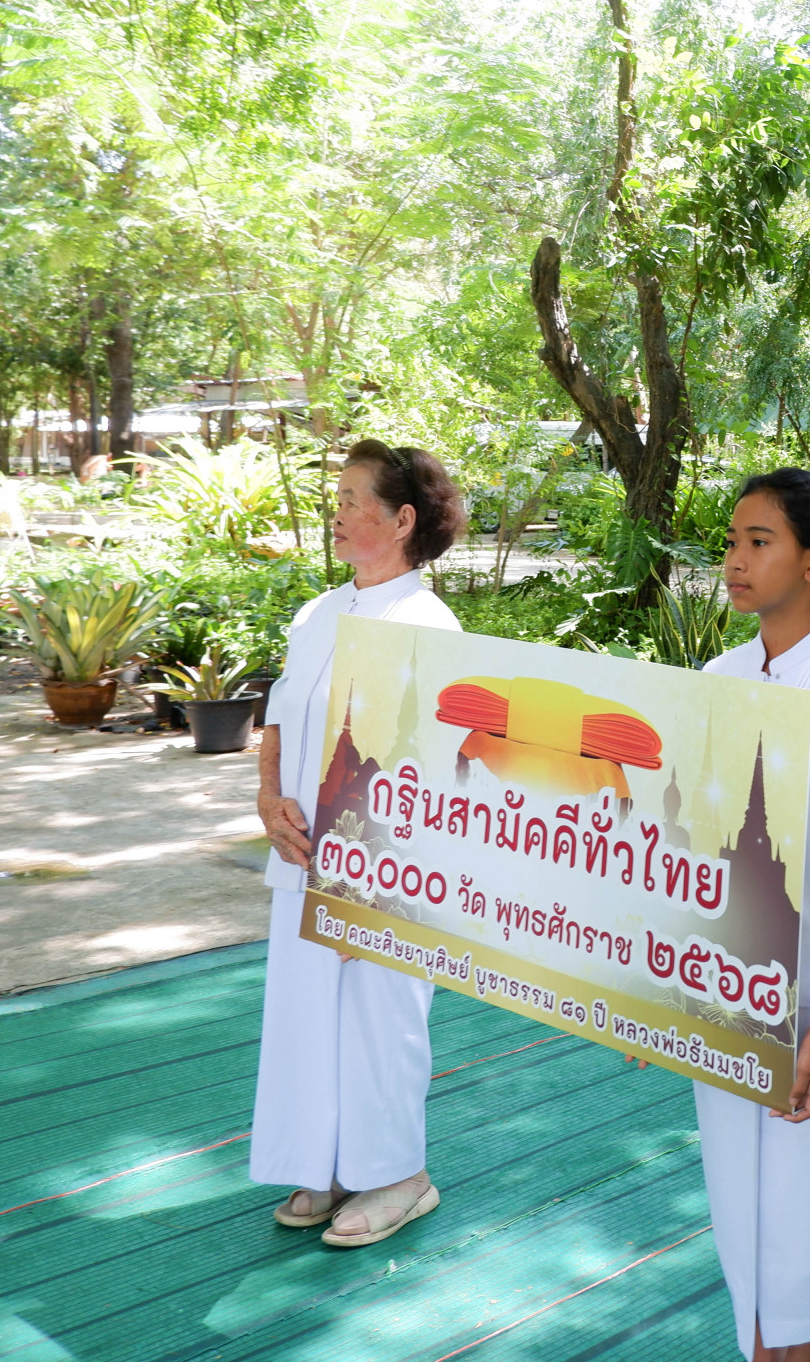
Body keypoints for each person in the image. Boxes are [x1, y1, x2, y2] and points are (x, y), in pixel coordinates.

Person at [692, 468, 810, 1362]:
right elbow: (691, 838)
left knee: (803, 1217)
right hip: (724, 987)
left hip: (807, 993)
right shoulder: (720, 677)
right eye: (732, 541)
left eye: (758, 542)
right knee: (741, 1198)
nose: (736, 560)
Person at [252, 440, 468, 1246]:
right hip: (304, 858)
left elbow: (434, 770)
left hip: (389, 872)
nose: (336, 513)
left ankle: (400, 1176)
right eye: (335, 498)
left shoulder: (427, 624)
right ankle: (329, 1163)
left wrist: (376, 888)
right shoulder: (319, 614)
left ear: (402, 519)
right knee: (306, 1015)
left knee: (382, 1019)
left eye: (352, 500)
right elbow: (278, 717)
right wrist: (268, 796)